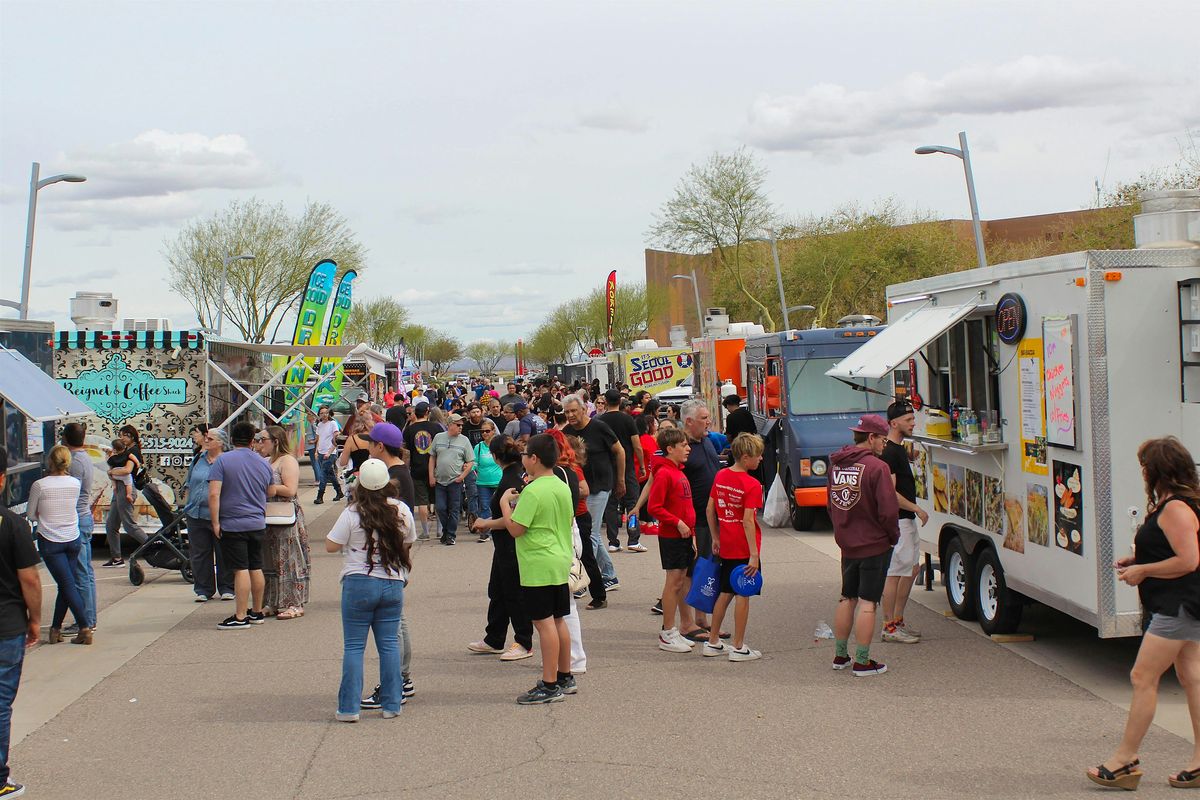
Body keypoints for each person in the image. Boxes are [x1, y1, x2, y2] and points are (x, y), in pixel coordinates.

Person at [1087, 437, 1200, 790]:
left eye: (1144, 465)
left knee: (1142, 677)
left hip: (1177, 607)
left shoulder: (1177, 508)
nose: (1142, 472)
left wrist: (1144, 572)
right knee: (1192, 678)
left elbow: (1189, 560)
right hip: (1182, 604)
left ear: (1157, 470)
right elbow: (1175, 550)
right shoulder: (1173, 504)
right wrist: (1139, 560)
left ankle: (1124, 761)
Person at [326, 459, 415, 722]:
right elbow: (408, 541)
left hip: (358, 581)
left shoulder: (353, 513)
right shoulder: (400, 510)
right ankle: (392, 703)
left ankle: (349, 708)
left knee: (354, 647)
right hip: (392, 581)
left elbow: (331, 545)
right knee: (388, 645)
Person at [499, 434, 575, 704]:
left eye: (525, 454)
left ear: (534, 458)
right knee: (557, 619)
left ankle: (550, 683)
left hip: (538, 561)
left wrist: (504, 505)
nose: (523, 459)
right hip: (559, 557)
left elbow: (516, 528)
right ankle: (565, 675)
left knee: (544, 624)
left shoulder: (534, 490)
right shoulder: (560, 484)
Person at [826, 415, 898, 677]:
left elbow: (831, 505)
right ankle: (863, 661)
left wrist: (842, 530)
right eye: (882, 439)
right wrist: (892, 535)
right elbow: (888, 511)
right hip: (874, 543)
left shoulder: (837, 466)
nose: (884, 445)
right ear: (871, 437)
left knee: (848, 597)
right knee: (868, 603)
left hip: (848, 544)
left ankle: (840, 655)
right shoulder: (877, 468)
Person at [358, 423, 418, 710]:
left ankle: (396, 681)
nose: (369, 447)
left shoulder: (391, 477)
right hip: (395, 562)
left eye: (371, 443)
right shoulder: (400, 473)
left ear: (380, 446)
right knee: (398, 624)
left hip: (387, 564)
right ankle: (403, 679)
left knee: (391, 629)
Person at [468, 436, 536, 662]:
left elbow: (514, 519)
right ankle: (494, 637)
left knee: (514, 594)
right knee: (497, 591)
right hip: (503, 545)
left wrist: (486, 522)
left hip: (511, 544)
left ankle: (523, 641)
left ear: (496, 456)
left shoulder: (512, 480)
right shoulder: (513, 475)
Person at [0, 447, 41, 798]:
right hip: (6, 625)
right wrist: (36, 620)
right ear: (2, 480)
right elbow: (30, 579)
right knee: (0, 704)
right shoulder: (12, 524)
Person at [704, 433, 765, 661]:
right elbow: (748, 520)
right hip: (743, 547)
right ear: (746, 457)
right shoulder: (752, 484)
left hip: (726, 543)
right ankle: (739, 646)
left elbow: (710, 509)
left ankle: (712, 641)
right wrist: (754, 554)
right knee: (743, 594)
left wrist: (715, 537)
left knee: (725, 592)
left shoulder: (721, 475)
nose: (760, 460)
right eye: (758, 456)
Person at [209, 422, 273, 630]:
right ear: (252, 440)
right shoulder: (263, 462)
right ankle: (257, 611)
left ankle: (240, 615)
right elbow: (270, 490)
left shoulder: (223, 461)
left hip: (233, 521)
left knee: (240, 569)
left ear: (232, 439)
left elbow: (214, 493)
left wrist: (215, 521)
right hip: (257, 520)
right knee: (256, 566)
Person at [27, 446, 92, 645]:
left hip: (51, 539)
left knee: (66, 585)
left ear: (50, 462)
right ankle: (55, 628)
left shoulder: (40, 485)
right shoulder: (74, 483)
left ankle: (84, 627)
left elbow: (30, 514)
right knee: (66, 585)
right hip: (72, 537)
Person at [879, 401, 928, 645]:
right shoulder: (889, 452)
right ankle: (889, 625)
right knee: (895, 572)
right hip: (899, 521)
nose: (913, 423)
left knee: (911, 569)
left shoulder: (898, 449)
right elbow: (890, 492)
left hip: (906, 520)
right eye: (908, 420)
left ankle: (897, 620)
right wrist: (916, 508)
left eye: (912, 418)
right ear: (894, 423)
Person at [647, 426, 699, 653]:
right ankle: (667, 632)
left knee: (679, 583)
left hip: (684, 536)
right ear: (670, 448)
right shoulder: (665, 473)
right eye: (683, 445)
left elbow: (685, 506)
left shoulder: (677, 471)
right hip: (672, 536)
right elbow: (654, 506)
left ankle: (673, 630)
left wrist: (692, 534)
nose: (688, 448)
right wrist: (677, 522)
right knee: (673, 582)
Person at [563, 395, 623, 593]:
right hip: (580, 488)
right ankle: (609, 575)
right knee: (590, 534)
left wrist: (621, 479)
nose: (570, 415)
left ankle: (582, 578)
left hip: (600, 486)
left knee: (590, 535)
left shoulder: (599, 427)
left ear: (583, 409)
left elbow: (619, 451)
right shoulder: (568, 432)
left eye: (573, 410)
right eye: (567, 412)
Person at [679, 399, 724, 634]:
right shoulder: (681, 447)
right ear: (689, 421)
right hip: (694, 519)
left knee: (708, 568)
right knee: (691, 570)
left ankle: (702, 618)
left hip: (713, 517)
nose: (709, 422)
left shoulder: (706, 441)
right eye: (704, 418)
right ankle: (687, 623)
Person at [256, 426, 309, 620]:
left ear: (275, 441)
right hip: (268, 515)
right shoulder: (266, 461)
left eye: (263, 440)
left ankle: (293, 602)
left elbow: (291, 489)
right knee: (269, 559)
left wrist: (273, 489)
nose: (260, 444)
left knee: (289, 560)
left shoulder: (287, 460)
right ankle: (272, 601)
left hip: (285, 515)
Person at [183, 428, 234, 602]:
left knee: (223, 552)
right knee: (199, 553)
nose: (206, 440)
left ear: (220, 442)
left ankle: (227, 587)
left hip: (221, 514)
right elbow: (189, 482)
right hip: (195, 514)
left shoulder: (227, 461)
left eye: (210, 438)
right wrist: (187, 503)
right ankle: (203, 589)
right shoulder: (199, 459)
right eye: (205, 438)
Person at [598, 389, 644, 554]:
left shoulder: (600, 421)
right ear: (620, 401)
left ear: (605, 401)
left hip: (607, 467)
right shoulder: (628, 419)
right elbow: (637, 444)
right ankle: (633, 538)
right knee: (632, 502)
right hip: (628, 466)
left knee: (611, 504)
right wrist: (643, 464)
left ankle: (613, 541)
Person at [62, 423, 97, 631]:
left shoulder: (75, 462)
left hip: (78, 517)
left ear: (66, 439)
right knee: (86, 572)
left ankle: (86, 621)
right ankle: (89, 618)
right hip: (84, 516)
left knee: (81, 573)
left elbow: (70, 492)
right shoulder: (84, 457)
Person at [429, 413, 474, 546]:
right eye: (458, 425)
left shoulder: (464, 440)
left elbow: (470, 461)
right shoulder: (438, 437)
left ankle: (450, 535)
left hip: (455, 480)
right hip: (440, 480)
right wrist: (431, 475)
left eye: (461, 425)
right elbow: (432, 457)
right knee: (441, 508)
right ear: (449, 425)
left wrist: (462, 476)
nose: (460, 427)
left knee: (454, 509)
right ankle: (446, 531)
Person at [101, 435, 144, 568]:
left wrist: (112, 471)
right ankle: (116, 558)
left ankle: (154, 546)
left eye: (124, 434)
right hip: (118, 489)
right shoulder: (116, 457)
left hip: (126, 490)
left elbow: (128, 470)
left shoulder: (131, 454)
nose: (122, 438)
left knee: (129, 525)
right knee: (111, 524)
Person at [403, 402, 441, 539]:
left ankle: (425, 532)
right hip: (435, 468)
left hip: (416, 467)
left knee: (422, 502)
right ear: (427, 412)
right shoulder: (436, 427)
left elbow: (406, 451)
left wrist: (405, 467)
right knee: (437, 500)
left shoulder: (409, 430)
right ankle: (439, 529)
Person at [472, 419, 502, 542]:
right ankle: (484, 533)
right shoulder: (478, 447)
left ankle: (500, 530)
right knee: (484, 507)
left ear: (493, 431)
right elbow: (474, 463)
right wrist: (470, 468)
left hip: (498, 481)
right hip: (482, 482)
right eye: (482, 431)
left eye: (487, 431)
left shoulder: (499, 446)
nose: (485, 433)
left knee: (499, 506)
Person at [313, 406, 345, 505]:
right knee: (330, 474)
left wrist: (329, 452)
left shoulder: (333, 424)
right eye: (322, 413)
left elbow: (336, 439)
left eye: (326, 412)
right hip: (321, 452)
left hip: (330, 453)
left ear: (329, 413)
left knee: (322, 474)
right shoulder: (319, 425)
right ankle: (339, 492)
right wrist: (316, 451)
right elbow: (318, 439)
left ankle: (320, 496)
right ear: (319, 414)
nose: (324, 415)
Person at [338, 412, 374, 481]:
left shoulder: (352, 439)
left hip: (357, 477)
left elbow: (343, 462)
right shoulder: (375, 438)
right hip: (373, 475)